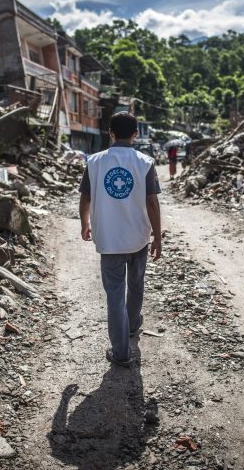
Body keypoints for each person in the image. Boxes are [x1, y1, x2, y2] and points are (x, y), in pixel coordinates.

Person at [79, 111, 162, 367]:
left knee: (115, 294)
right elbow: (152, 201)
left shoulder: (94, 162)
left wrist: (85, 224)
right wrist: (157, 236)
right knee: (136, 284)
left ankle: (121, 353)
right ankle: (133, 326)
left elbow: (85, 197)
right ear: (135, 135)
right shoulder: (145, 162)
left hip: (109, 240)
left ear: (110, 133)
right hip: (138, 237)